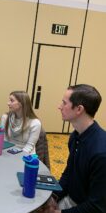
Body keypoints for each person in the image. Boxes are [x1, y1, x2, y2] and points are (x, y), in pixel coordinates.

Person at [39, 84, 106, 213]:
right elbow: (69, 173)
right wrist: (54, 197)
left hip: (85, 206)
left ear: (79, 109)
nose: (59, 107)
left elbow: (97, 207)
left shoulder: (101, 153)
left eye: (64, 103)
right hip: (71, 199)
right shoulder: (75, 136)